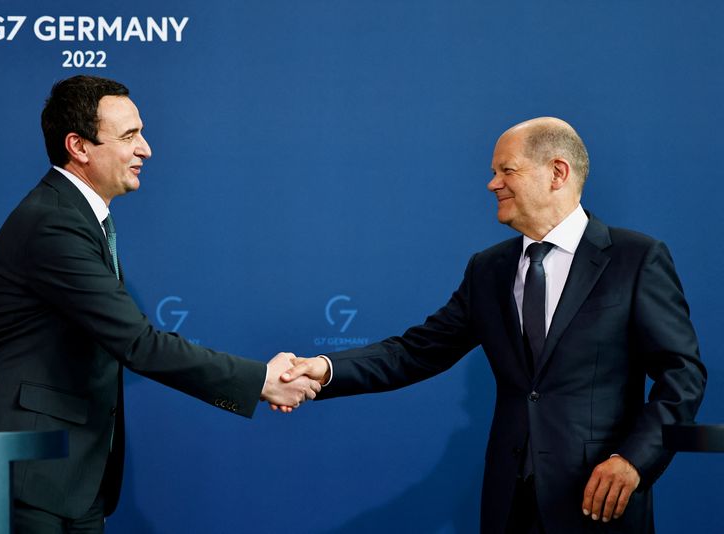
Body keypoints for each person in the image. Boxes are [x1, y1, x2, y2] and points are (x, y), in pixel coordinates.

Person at [283, 117, 706, 533]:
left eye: (507, 170)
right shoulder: (489, 269)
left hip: (598, 505)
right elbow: (414, 352)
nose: (493, 184)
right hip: (508, 506)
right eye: (493, 172)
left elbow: (682, 376)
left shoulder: (636, 258)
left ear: (557, 172)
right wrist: (323, 368)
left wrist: (634, 460)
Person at [0, 75, 319, 533]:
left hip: (72, 478)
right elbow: (138, 343)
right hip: (33, 476)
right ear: (79, 146)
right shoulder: (52, 223)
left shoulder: (77, 216)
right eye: (129, 136)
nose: (146, 149)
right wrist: (260, 381)